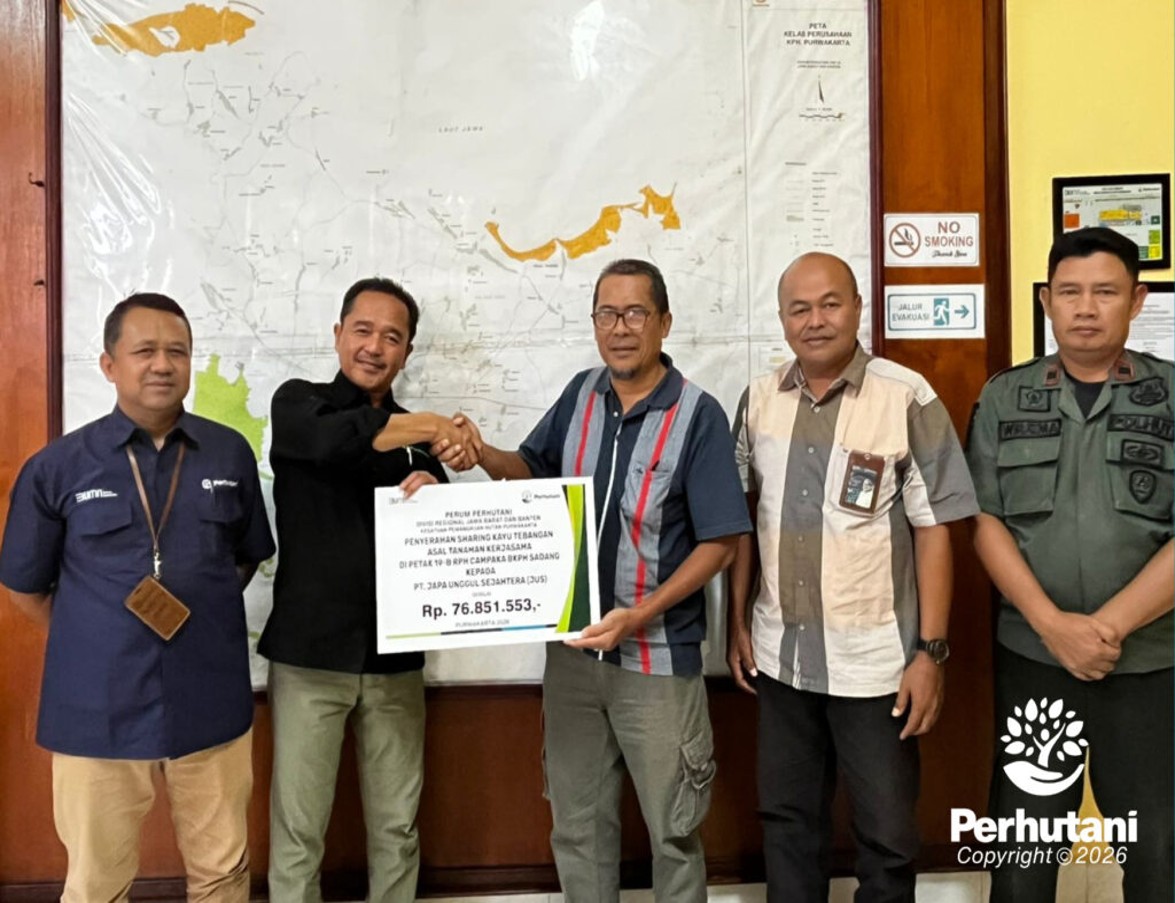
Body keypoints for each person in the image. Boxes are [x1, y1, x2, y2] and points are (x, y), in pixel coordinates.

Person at [439, 259, 751, 902]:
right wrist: (482, 454)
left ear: (664, 322)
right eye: (607, 314)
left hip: (657, 662)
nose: (620, 328)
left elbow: (721, 543)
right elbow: (531, 470)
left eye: (636, 313)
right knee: (578, 830)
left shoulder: (698, 415)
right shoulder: (581, 394)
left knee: (674, 835)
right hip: (574, 659)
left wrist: (640, 614)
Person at [0, 293, 275, 902]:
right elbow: (24, 586)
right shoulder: (59, 466)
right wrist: (96, 635)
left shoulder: (229, 452)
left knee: (223, 873)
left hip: (209, 700)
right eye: (145, 350)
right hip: (97, 707)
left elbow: (245, 555)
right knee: (97, 880)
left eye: (177, 351)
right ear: (109, 365)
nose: (162, 364)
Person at [726, 252, 978, 902]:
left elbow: (935, 529)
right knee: (787, 826)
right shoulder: (757, 400)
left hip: (877, 666)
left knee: (888, 837)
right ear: (781, 318)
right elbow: (740, 522)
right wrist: (736, 624)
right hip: (780, 658)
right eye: (799, 308)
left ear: (858, 308)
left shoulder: (905, 396)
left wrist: (930, 652)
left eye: (830, 304)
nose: (815, 320)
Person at [967, 227, 1173, 901]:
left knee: (1158, 853)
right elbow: (985, 521)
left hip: (1148, 665)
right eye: (1069, 292)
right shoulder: (1005, 397)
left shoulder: (1171, 395)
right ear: (1046, 300)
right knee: (1023, 855)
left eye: (1105, 292)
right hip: (1035, 659)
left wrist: (1105, 629)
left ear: (1136, 300)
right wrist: (1053, 627)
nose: (1085, 308)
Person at [259, 276, 476, 903]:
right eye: (363, 330)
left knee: (397, 829)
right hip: (309, 657)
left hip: (395, 661)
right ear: (338, 334)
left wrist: (435, 492)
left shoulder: (421, 446)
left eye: (392, 337)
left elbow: (440, 545)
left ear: (406, 352)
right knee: (299, 832)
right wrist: (427, 425)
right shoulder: (297, 403)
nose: (375, 347)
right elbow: (333, 440)